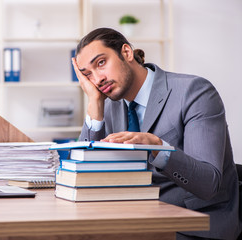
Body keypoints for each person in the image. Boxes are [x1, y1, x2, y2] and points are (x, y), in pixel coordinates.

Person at [72, 27, 241, 240]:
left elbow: (209, 184)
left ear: (126, 52)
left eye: (101, 63)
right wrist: (94, 106)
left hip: (193, 225)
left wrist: (158, 147)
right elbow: (82, 177)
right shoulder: (107, 104)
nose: (97, 79)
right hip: (134, 221)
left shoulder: (194, 92)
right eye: (87, 74)